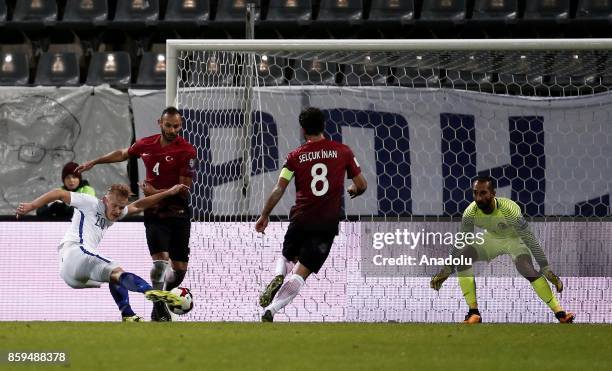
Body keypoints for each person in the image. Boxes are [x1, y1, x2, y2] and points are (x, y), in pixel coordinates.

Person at [76, 107, 196, 322]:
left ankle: (159, 301)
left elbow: (184, 189)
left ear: (181, 124)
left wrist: (155, 192)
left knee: (178, 270)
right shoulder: (146, 144)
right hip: (154, 214)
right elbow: (123, 153)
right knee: (160, 262)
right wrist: (94, 161)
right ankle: (160, 309)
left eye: (176, 126)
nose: (172, 129)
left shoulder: (186, 150)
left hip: (178, 213)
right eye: (168, 125)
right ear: (160, 122)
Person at [255, 107, 367, 322]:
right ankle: (272, 310)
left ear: (303, 129)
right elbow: (361, 184)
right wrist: (353, 189)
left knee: (287, 257)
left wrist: (264, 215)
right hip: (326, 223)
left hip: (301, 218)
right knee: (301, 273)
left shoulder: (295, 157)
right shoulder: (343, 151)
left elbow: (279, 188)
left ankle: (279, 275)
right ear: (324, 126)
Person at [16, 183, 189, 322]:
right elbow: (58, 193)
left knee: (114, 276)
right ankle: (153, 294)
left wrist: (169, 193)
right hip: (74, 251)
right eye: (115, 206)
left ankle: (128, 315)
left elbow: (138, 205)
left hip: (75, 275)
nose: (118, 211)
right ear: (105, 200)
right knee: (116, 270)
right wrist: (31, 206)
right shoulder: (90, 202)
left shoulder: (117, 212)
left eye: (121, 208)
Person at [430, 176, 574, 324]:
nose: (478, 198)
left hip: (514, 240)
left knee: (526, 269)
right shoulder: (470, 213)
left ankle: (560, 313)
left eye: (483, 193)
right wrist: (447, 269)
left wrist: (545, 266)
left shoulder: (509, 210)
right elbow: (461, 242)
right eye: (475, 193)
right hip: (492, 238)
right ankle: (473, 313)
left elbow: (529, 238)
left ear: (493, 193)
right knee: (463, 257)